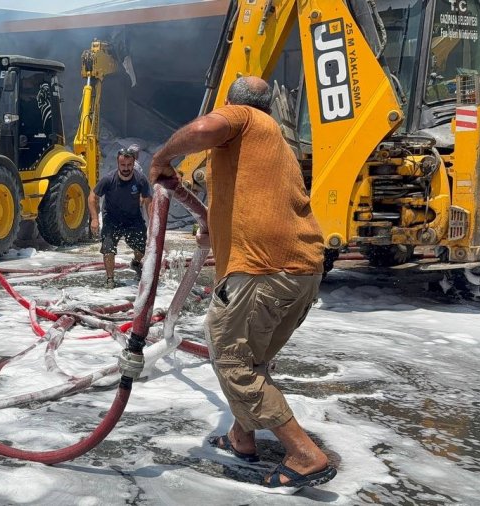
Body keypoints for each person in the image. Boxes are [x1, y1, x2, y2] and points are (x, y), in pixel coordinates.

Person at [149, 76, 336, 490]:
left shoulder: (245, 120)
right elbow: (249, 206)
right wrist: (212, 232)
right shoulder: (269, 146)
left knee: (231, 358)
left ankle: (305, 454)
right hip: (301, 270)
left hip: (264, 271)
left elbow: (201, 130)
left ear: (232, 104)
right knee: (250, 360)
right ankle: (242, 436)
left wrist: (162, 159)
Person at [88, 144, 152, 289]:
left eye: (129, 165)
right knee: (108, 249)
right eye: (123, 165)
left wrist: (153, 222)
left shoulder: (140, 179)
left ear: (133, 163)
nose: (126, 168)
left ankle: (136, 263)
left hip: (133, 219)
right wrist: (94, 218)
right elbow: (92, 196)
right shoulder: (108, 179)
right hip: (112, 218)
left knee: (141, 249)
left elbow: (148, 200)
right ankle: (110, 279)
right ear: (118, 163)